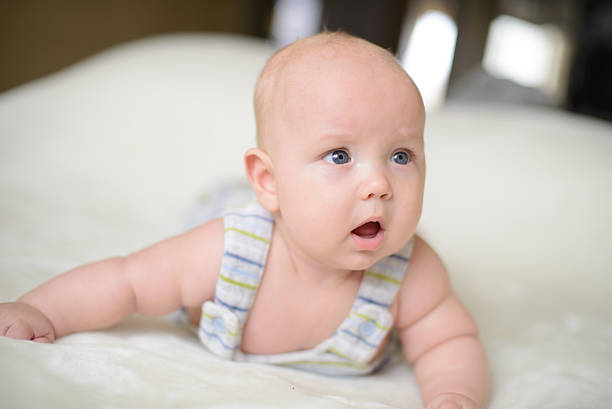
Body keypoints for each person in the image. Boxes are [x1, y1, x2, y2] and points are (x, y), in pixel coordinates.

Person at [0, 32, 489, 409]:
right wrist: (43, 311)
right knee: (202, 223)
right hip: (238, 221)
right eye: (339, 155)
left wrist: (454, 394)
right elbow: (125, 282)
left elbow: (451, 340)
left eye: (401, 156)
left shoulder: (411, 269)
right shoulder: (229, 249)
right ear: (269, 180)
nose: (379, 183)